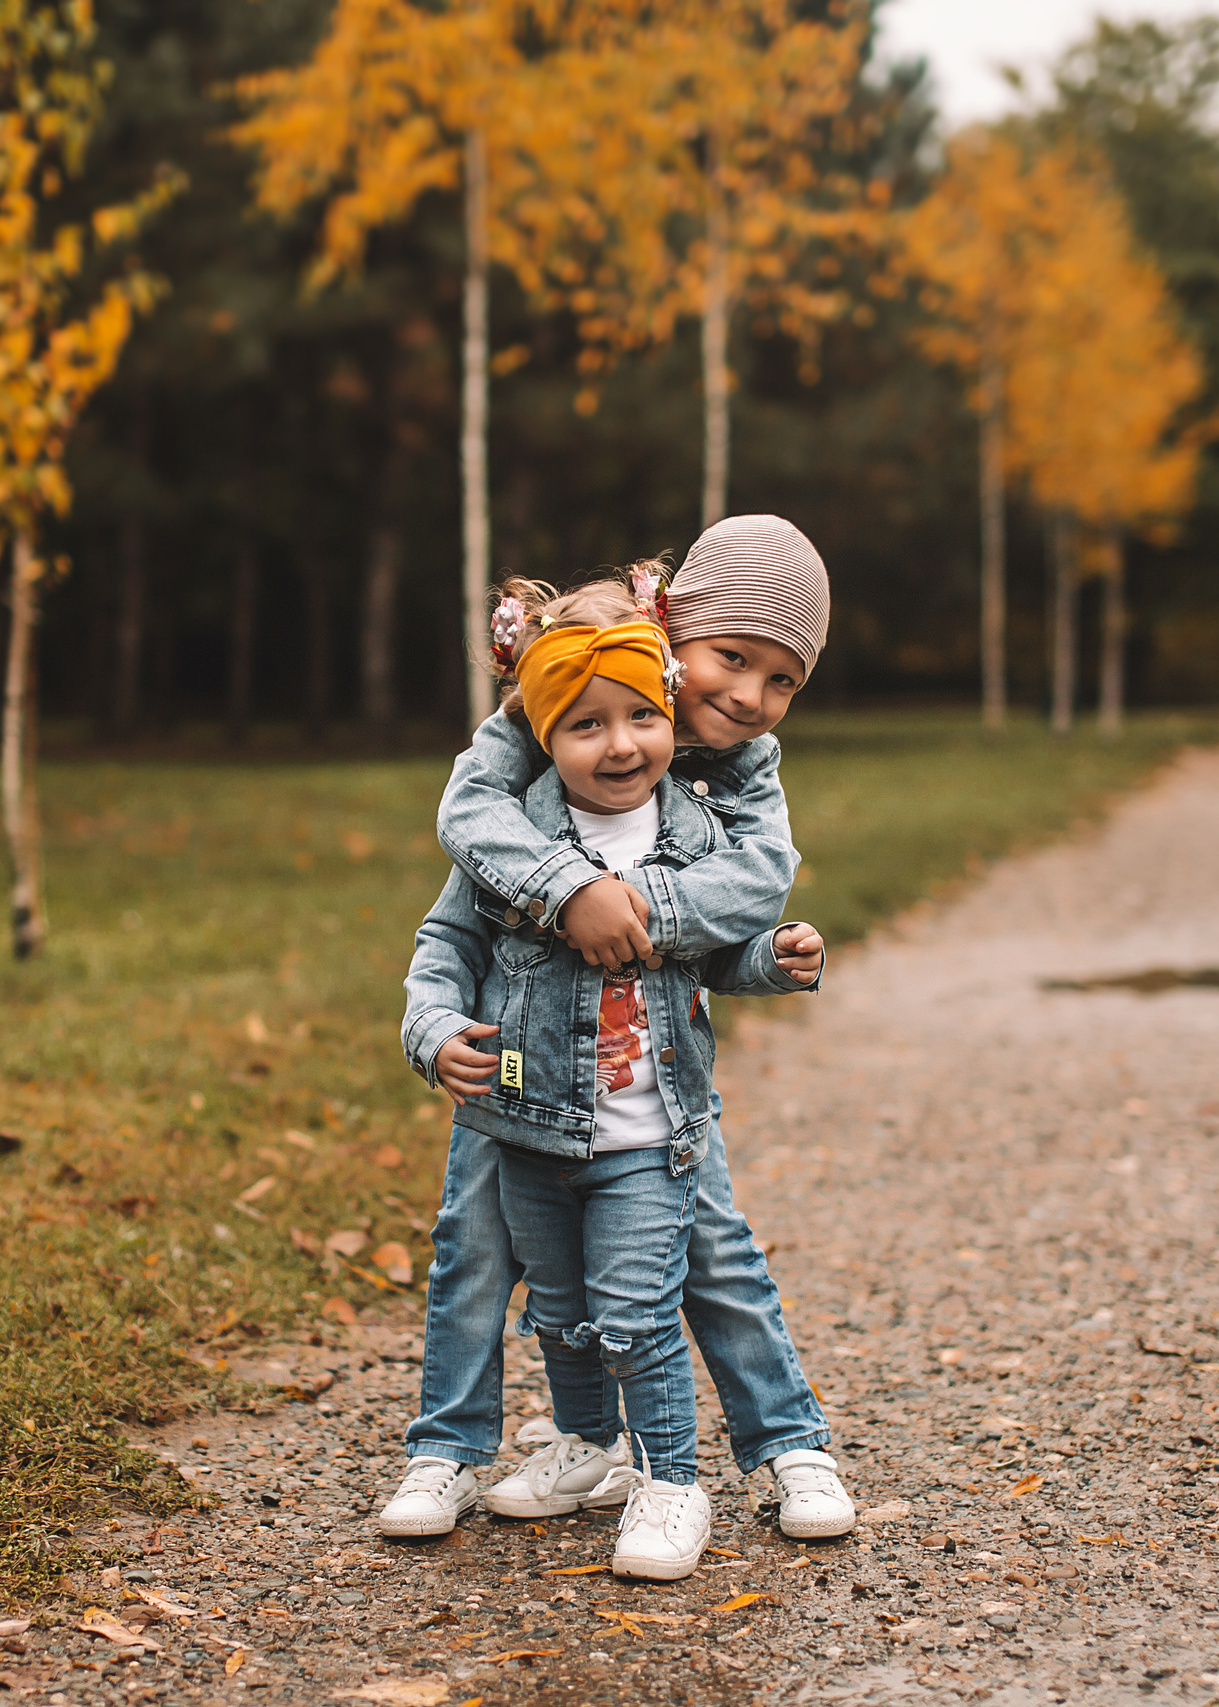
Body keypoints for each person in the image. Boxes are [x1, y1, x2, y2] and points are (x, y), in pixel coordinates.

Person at [382, 514, 854, 1545]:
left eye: (783, 681)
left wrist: (640, 917)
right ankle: (457, 1450)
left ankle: (787, 1445)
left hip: (651, 1088)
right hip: (516, 1063)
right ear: (672, 625)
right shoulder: (553, 699)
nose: (749, 697)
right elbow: (468, 819)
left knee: (714, 1258)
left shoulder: (738, 771)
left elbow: (756, 877)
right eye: (732, 659)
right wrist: (565, 891)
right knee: (480, 1255)